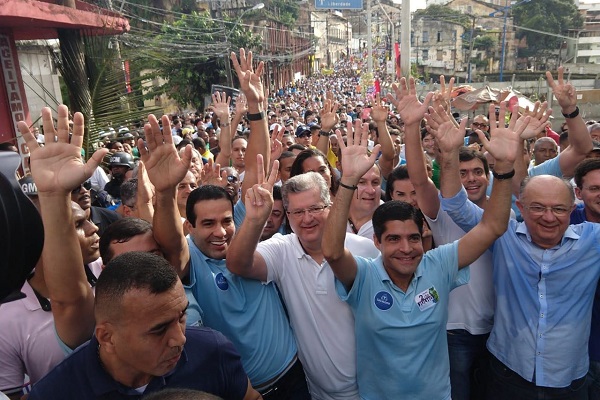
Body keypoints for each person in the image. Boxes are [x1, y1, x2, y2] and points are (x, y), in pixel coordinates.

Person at [17, 106, 258, 400]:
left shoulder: (211, 352)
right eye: (157, 330)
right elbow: (69, 300)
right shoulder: (60, 390)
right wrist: (54, 197)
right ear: (105, 336)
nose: (179, 339)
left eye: (181, 317)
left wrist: (166, 192)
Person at [320, 101, 517, 399]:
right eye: (394, 240)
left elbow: (492, 228)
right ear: (377, 242)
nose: (406, 249)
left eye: (413, 238)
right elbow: (333, 252)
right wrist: (347, 181)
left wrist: (502, 170)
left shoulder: (438, 264)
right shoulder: (364, 275)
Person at [150, 50, 310, 398]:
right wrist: (163, 192)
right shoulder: (189, 257)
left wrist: (255, 109)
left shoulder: (246, 229)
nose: (220, 231)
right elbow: (168, 243)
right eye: (207, 223)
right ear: (189, 227)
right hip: (243, 391)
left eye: (226, 220)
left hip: (295, 375)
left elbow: (255, 165)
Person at [438, 69, 599, 400]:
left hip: (568, 380)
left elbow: (582, 148)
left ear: (574, 209)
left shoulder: (592, 242)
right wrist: (449, 155)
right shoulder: (504, 232)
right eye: (537, 208)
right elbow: (454, 205)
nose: (548, 218)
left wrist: (570, 109)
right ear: (520, 209)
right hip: (506, 374)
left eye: (558, 210)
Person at [226, 166, 380, 398]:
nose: (307, 219)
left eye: (315, 208)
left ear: (331, 207)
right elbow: (238, 263)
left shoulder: (364, 249)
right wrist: (255, 219)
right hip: (319, 393)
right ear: (287, 216)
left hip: (375, 388)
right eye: (297, 212)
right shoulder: (282, 250)